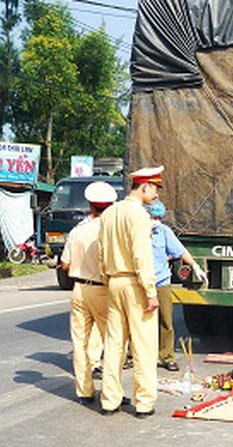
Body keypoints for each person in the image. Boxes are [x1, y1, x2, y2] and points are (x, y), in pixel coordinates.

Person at [98, 166, 162, 418]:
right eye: (155, 189)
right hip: (135, 283)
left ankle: (109, 399)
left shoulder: (110, 212)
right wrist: (150, 290)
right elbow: (141, 255)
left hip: (114, 281)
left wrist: (107, 278)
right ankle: (144, 402)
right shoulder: (139, 214)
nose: (156, 195)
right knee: (144, 345)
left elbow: (102, 251)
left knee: (114, 344)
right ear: (144, 186)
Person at [60, 181, 118, 406]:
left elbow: (65, 264)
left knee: (81, 342)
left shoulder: (77, 231)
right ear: (111, 206)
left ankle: (84, 391)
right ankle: (110, 392)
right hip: (104, 290)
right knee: (113, 343)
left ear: (90, 206)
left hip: (79, 290)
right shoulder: (110, 231)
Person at [145, 199, 208, 372]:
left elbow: (179, 251)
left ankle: (166, 356)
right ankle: (133, 355)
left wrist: (195, 266)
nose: (155, 221)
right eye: (152, 216)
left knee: (166, 321)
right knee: (138, 322)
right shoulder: (136, 233)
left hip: (161, 282)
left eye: (158, 217)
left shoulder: (164, 232)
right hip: (140, 283)